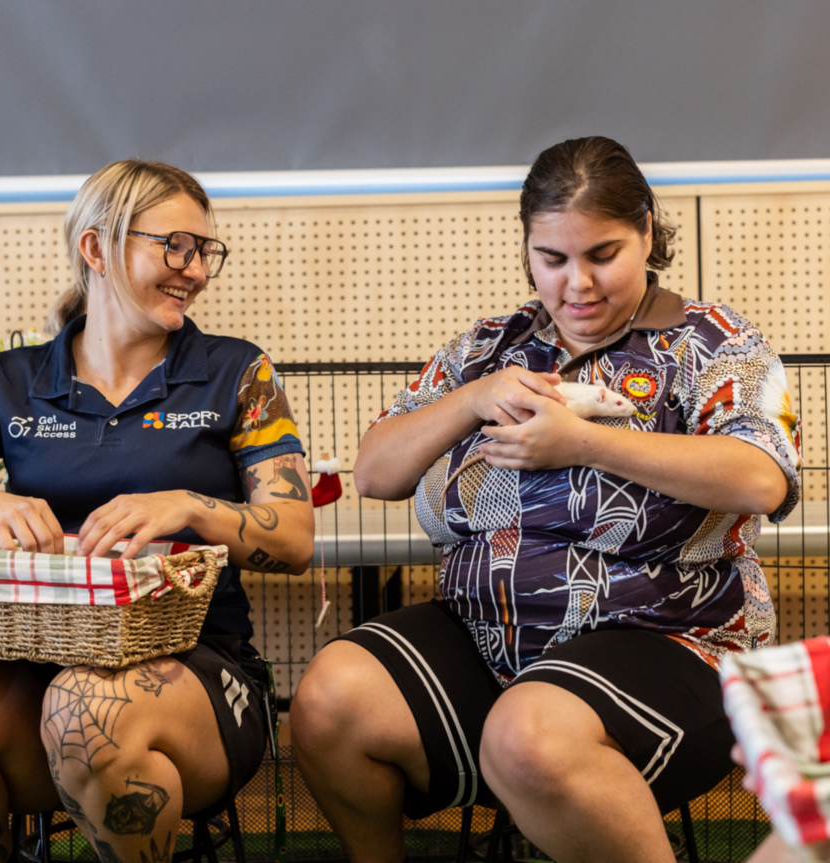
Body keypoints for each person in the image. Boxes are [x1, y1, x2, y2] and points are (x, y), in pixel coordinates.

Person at [290, 136, 801, 863]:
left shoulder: (713, 343)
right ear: (528, 249)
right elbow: (375, 471)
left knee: (529, 731)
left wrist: (584, 444)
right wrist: (474, 397)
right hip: (488, 635)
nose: (577, 285)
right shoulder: (488, 346)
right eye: (552, 259)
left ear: (648, 234)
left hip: (671, 636)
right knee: (330, 698)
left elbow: (759, 476)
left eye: (603, 254)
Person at [0, 160, 315, 863]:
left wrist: (187, 505)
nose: (194, 269)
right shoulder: (12, 379)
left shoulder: (237, 371)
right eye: (174, 246)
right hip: (30, 669)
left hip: (195, 674)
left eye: (204, 250)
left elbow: (295, 537)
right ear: (96, 249)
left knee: (85, 702)